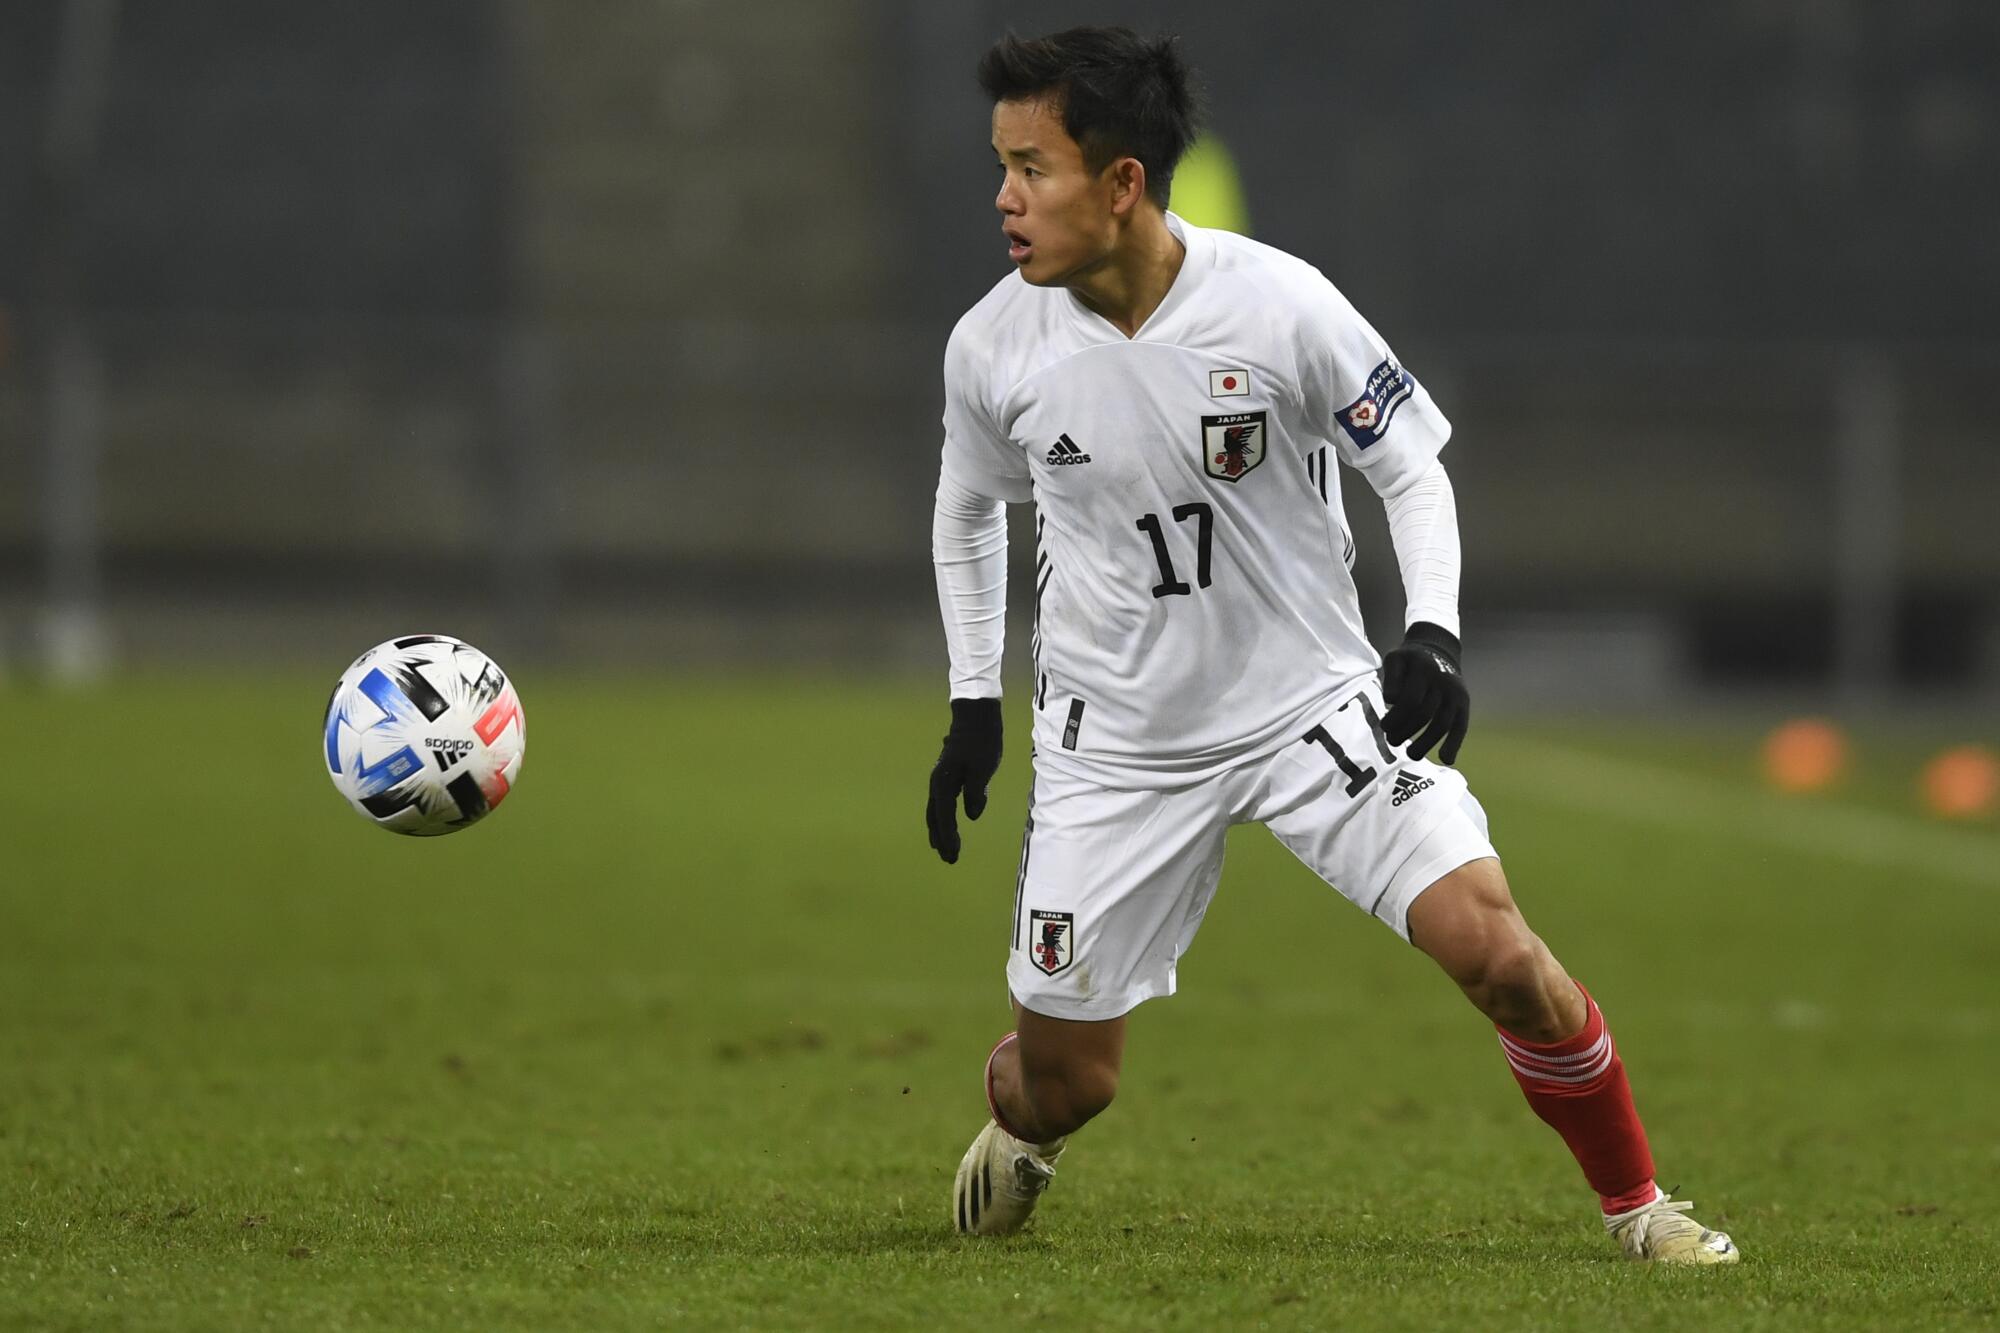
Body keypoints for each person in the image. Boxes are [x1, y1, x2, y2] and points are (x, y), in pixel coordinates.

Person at [924, 26, 1738, 1265]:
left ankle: (1643, 1211)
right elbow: (966, 509)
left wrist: (1431, 633)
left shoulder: (1280, 303)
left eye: (1031, 168)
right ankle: (1021, 1118)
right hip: (1117, 749)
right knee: (1069, 1084)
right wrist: (972, 701)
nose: (1003, 199)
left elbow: (1408, 468)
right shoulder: (993, 347)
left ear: (1123, 181)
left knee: (1498, 951)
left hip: (1307, 707)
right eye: (1001, 166)